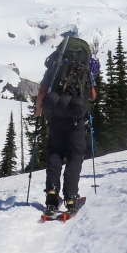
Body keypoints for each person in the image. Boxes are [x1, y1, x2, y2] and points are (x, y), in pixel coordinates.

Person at [34, 38, 97, 213]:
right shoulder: (85, 66)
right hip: (76, 117)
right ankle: (70, 197)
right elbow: (92, 96)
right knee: (75, 155)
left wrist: (38, 111)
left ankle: (52, 194)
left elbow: (42, 91)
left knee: (55, 151)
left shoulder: (56, 63)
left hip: (56, 114)